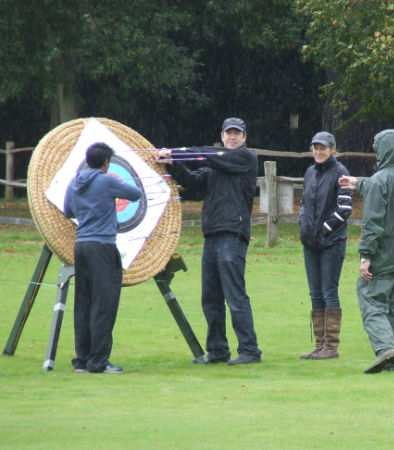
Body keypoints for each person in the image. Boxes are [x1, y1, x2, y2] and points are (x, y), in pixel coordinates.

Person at [153, 117, 262, 365]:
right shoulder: (214, 164)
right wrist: (172, 164)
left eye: (237, 134)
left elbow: (207, 155)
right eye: (228, 133)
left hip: (232, 234)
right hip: (212, 235)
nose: (232, 137)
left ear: (244, 138)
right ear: (222, 136)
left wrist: (178, 153)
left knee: (235, 295)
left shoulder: (245, 158)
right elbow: (193, 182)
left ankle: (250, 350)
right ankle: (217, 351)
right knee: (210, 298)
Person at [339, 129, 394, 373]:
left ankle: (384, 349)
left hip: (383, 255)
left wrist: (366, 256)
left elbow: (372, 223)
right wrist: (360, 183)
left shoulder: (379, 180)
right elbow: (387, 193)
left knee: (370, 299)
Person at [64, 142, 142, 373]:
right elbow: (135, 194)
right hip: (103, 247)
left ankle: (83, 359)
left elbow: (69, 210)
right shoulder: (106, 180)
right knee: (104, 304)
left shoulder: (75, 181)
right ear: (106, 162)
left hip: (81, 246)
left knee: (84, 302)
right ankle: (98, 361)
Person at [298, 131, 352, 360]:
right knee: (315, 293)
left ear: (333, 150)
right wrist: (304, 225)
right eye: (315, 148)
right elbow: (303, 203)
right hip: (311, 242)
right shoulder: (310, 172)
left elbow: (345, 208)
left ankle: (331, 347)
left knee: (329, 291)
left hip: (332, 242)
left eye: (323, 148)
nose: (318, 152)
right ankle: (320, 345)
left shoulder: (341, 172)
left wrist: (325, 228)